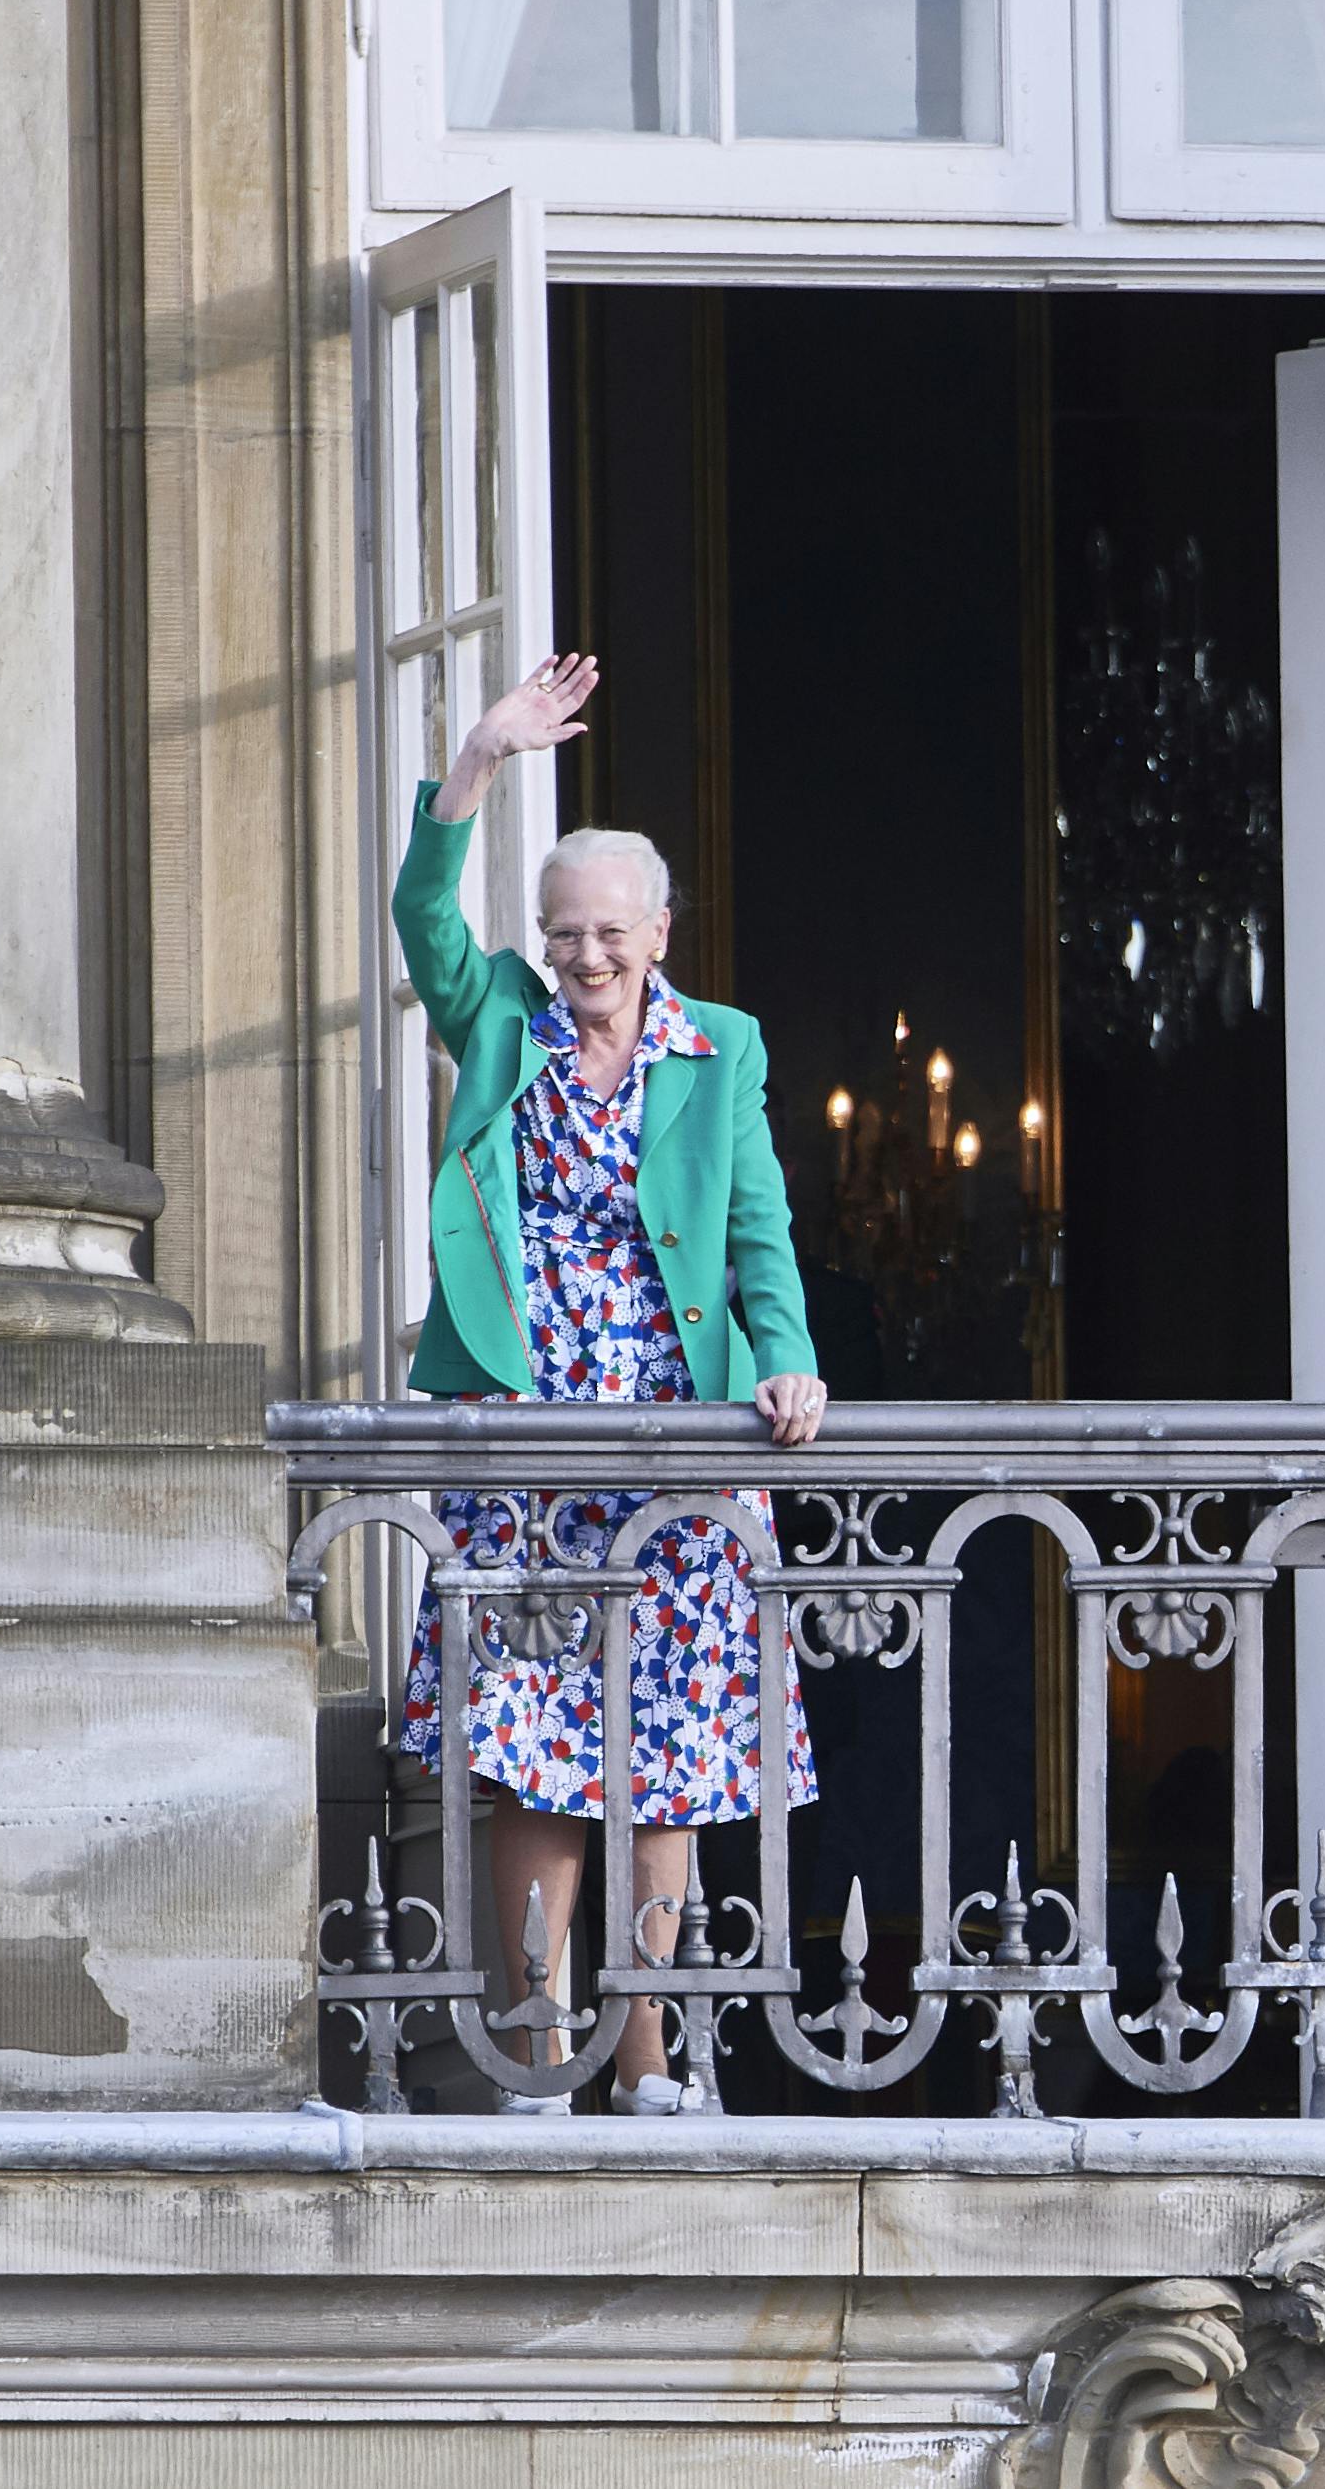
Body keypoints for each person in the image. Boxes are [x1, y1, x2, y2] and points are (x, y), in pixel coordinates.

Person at [389, 652, 830, 2117]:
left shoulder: (726, 1051)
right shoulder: (500, 1019)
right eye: (564, 930)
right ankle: (531, 2046)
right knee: (533, 1752)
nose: (584, 955)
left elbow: (755, 1221)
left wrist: (784, 1357)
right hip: (529, 1432)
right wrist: (480, 762)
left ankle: (640, 2058)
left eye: (610, 932)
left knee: (668, 1759)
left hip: (680, 1433)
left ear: (658, 932)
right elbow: (422, 923)